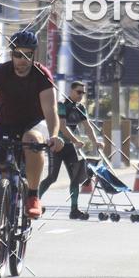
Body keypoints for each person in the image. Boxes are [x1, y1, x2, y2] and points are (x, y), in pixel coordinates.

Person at [0, 29, 64, 257]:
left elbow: (51, 110)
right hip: (6, 125)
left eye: (27, 55)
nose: (22, 60)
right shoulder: (1, 73)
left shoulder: (42, 75)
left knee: (32, 140)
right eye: (18, 54)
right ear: (11, 54)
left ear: (34, 55)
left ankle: (33, 195)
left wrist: (54, 135)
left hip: (34, 125)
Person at [39, 81, 103, 219]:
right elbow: (62, 126)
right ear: (71, 91)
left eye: (83, 93)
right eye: (78, 92)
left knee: (75, 178)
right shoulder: (62, 105)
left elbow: (88, 127)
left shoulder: (80, 108)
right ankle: (33, 201)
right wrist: (76, 140)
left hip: (69, 147)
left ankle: (74, 210)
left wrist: (95, 141)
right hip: (56, 145)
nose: (81, 95)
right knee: (52, 177)